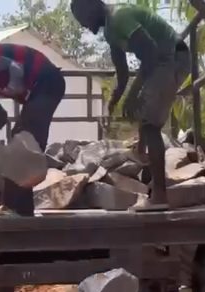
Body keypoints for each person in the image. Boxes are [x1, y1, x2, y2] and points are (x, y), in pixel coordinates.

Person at [71, 0, 190, 207]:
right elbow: (123, 74)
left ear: (93, 7)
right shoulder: (111, 32)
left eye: (82, 18)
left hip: (173, 58)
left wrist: (133, 94)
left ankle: (159, 196)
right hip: (162, 61)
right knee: (141, 109)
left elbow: (150, 54)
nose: (83, 25)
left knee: (150, 125)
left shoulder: (119, 17)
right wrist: (113, 101)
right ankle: (141, 153)